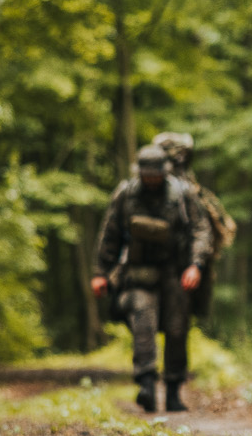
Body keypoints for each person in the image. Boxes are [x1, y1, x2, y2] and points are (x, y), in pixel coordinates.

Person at [92, 143, 213, 413]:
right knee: (143, 324)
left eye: (156, 175)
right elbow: (110, 233)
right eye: (147, 175)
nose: (151, 180)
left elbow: (201, 230)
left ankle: (173, 390)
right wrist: (101, 273)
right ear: (139, 172)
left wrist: (196, 265)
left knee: (177, 328)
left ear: (164, 172)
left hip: (175, 270)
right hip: (138, 271)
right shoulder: (126, 194)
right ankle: (146, 384)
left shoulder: (182, 194)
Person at [151, 131, 237, 323]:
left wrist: (196, 264)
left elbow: (203, 231)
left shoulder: (191, 192)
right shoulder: (140, 186)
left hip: (183, 263)